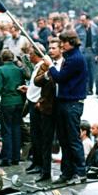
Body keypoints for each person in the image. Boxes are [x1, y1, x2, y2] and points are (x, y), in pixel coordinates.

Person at [42, 29, 88, 184]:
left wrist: (50, 66)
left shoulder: (75, 59)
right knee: (64, 139)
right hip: (64, 101)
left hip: (72, 103)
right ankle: (67, 172)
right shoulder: (71, 57)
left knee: (72, 139)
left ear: (71, 43)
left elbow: (60, 78)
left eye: (63, 42)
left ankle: (80, 172)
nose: (61, 45)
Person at [0, 49, 27, 167]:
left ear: (2, 58)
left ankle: (6, 158)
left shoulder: (0, 70)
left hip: (7, 103)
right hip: (19, 102)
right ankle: (16, 157)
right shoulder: (19, 70)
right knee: (16, 128)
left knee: (6, 130)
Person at [33, 39, 60, 181]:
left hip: (62, 106)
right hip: (47, 107)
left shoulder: (65, 63)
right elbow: (36, 81)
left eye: (54, 48)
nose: (50, 51)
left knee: (64, 140)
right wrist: (46, 74)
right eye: (50, 48)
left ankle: (67, 172)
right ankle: (46, 171)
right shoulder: (45, 64)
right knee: (46, 141)